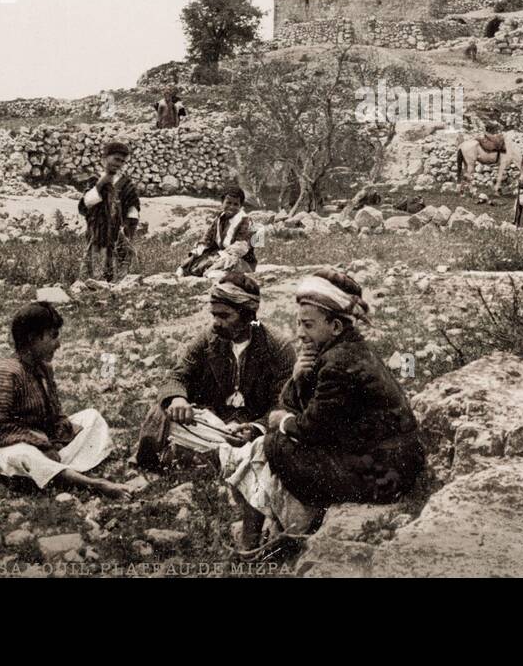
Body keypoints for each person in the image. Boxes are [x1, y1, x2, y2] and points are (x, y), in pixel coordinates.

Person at [218, 268, 424, 551]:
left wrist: (281, 422)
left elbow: (311, 428)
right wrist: (298, 377)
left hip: (382, 476)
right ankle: (262, 535)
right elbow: (307, 410)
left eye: (309, 325)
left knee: (269, 445)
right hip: (388, 466)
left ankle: (259, 540)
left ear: (336, 327)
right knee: (271, 444)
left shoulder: (338, 363)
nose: (300, 334)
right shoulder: (344, 350)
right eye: (299, 324)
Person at [0, 302, 130, 498]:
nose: (58, 344)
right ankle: (93, 484)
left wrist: (58, 434)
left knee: (91, 418)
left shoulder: (44, 369)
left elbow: (55, 415)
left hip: (37, 441)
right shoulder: (5, 372)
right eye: (53, 336)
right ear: (33, 338)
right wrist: (40, 444)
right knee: (24, 455)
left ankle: (53, 473)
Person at [134, 273, 295, 470]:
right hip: (214, 423)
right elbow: (178, 375)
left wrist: (254, 429)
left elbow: (283, 403)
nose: (217, 322)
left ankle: (213, 457)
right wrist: (177, 399)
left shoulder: (277, 347)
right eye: (214, 315)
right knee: (161, 412)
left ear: (247, 315)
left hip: (252, 430)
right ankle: (222, 458)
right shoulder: (208, 339)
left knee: (278, 441)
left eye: (224, 316)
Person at [78, 141, 141, 282]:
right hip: (97, 232)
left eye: (122, 161)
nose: (118, 164)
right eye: (116, 159)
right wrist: (100, 185)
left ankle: (117, 288)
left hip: (117, 232)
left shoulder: (126, 184)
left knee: (122, 258)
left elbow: (133, 206)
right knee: (95, 264)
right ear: (105, 158)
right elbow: (85, 205)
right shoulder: (94, 180)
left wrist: (129, 227)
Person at [177, 185, 256, 278]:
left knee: (214, 269)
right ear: (222, 202)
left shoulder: (245, 221)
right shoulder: (219, 218)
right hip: (220, 253)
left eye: (236, 204)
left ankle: (222, 274)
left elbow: (241, 247)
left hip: (239, 259)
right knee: (192, 264)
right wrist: (195, 254)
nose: (231, 207)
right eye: (228, 203)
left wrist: (218, 257)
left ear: (241, 206)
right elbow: (207, 239)